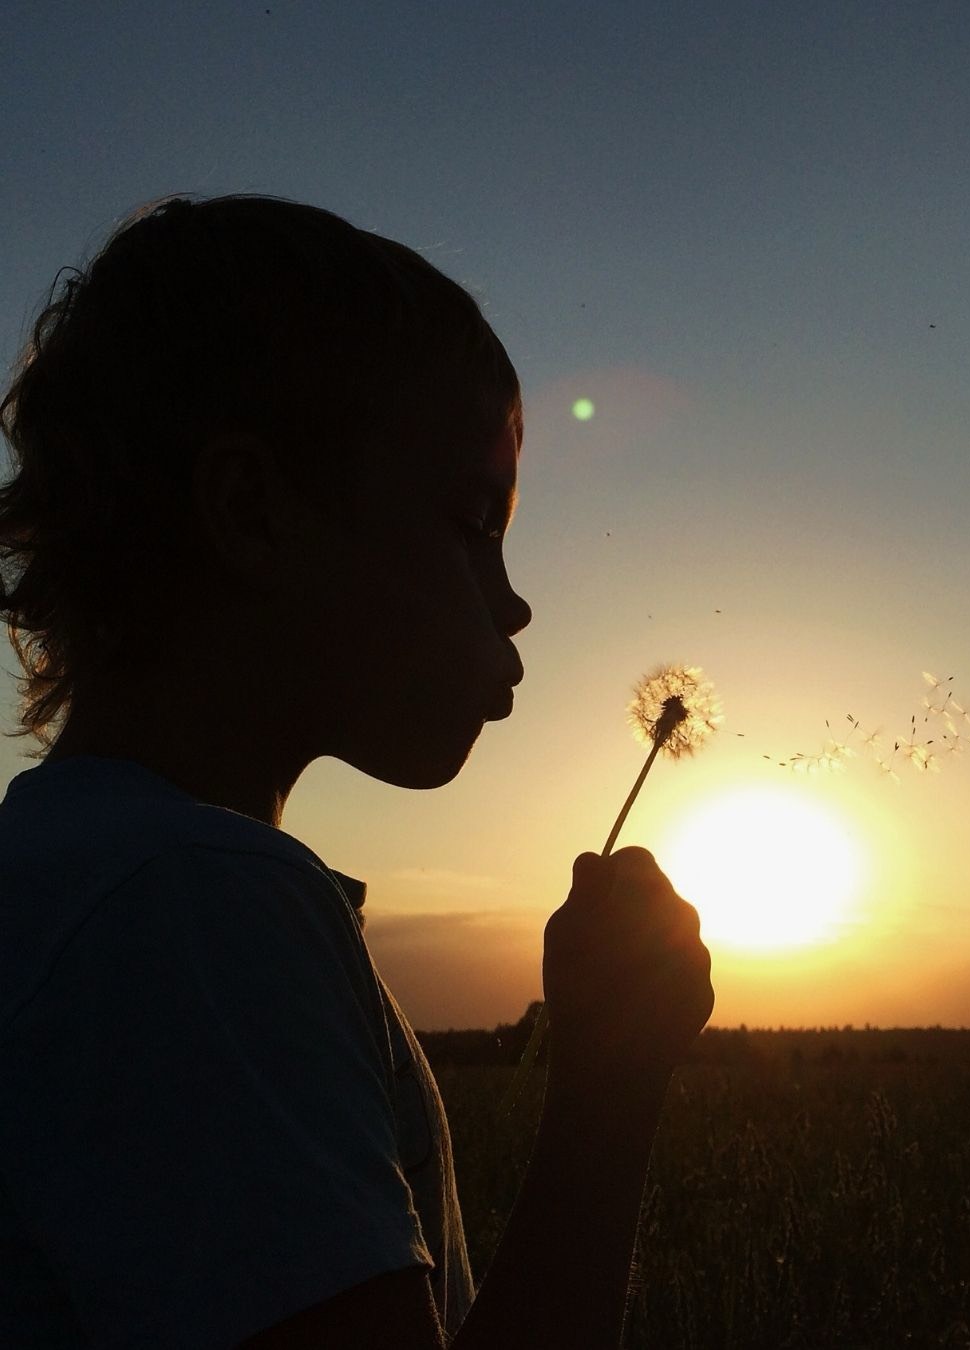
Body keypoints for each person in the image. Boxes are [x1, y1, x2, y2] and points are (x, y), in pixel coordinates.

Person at [0, 196, 714, 1349]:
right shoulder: (189, 903)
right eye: (475, 519)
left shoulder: (88, 876)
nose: (516, 598)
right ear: (254, 511)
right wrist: (609, 1094)